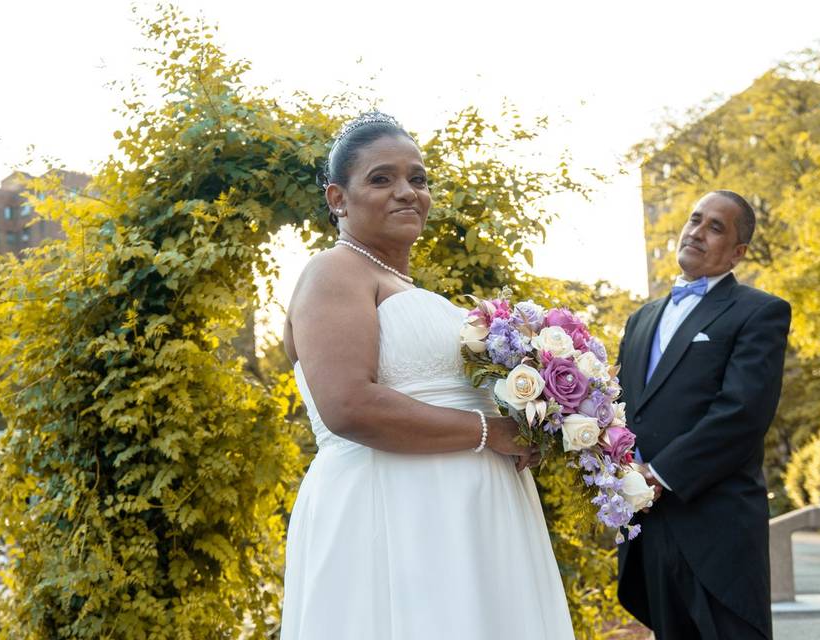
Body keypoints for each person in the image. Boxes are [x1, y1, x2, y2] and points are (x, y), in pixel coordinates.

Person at [279, 112, 574, 640]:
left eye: (418, 178)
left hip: (468, 519)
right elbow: (348, 405)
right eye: (381, 178)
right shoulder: (334, 271)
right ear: (337, 199)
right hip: (393, 512)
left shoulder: (406, 286)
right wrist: (491, 433)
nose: (407, 191)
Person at [615, 191, 791, 640]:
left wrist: (659, 474)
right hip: (649, 529)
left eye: (716, 227)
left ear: (737, 253)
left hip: (719, 532)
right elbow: (623, 410)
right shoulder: (639, 320)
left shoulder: (760, 312)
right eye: (695, 220)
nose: (697, 231)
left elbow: (742, 414)